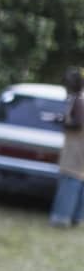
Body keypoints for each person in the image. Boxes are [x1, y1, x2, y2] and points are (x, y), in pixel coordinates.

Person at [49, 66, 84, 227]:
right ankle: (77, 218)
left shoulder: (79, 100)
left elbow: (77, 123)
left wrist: (60, 121)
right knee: (78, 181)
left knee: (71, 181)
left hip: (76, 149)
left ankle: (61, 218)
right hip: (78, 149)